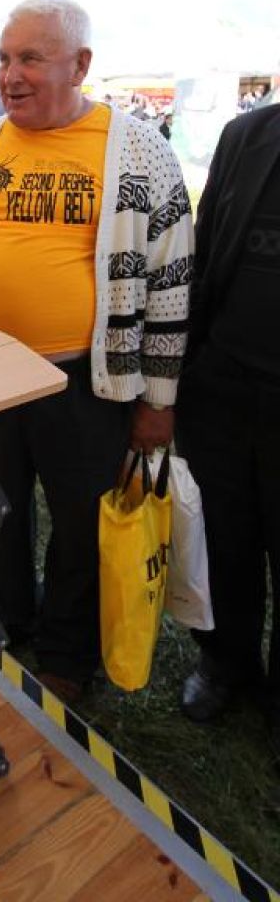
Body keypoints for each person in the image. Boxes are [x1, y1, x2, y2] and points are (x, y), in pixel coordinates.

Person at [0, 0, 193, 703]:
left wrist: (159, 402)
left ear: (81, 65)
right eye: (4, 59)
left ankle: (66, 657)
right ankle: (9, 622)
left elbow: (172, 288)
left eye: (30, 58)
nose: (10, 75)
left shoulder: (139, 153)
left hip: (83, 384)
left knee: (80, 524)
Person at [176, 102, 280, 763]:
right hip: (223, 391)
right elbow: (205, 249)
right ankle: (227, 663)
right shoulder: (249, 134)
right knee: (227, 541)